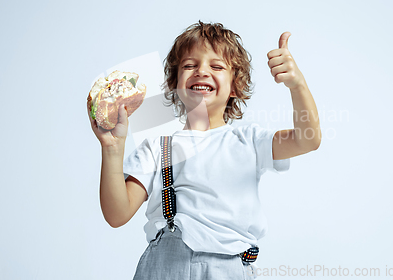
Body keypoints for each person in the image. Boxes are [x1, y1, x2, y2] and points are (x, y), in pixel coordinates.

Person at [87, 21, 321, 279]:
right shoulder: (157, 148)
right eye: (189, 65)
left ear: (235, 87)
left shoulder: (250, 141)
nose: (201, 71)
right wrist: (112, 148)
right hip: (165, 267)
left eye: (217, 66)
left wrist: (297, 85)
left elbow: (307, 139)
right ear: (174, 84)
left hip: (230, 269)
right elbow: (116, 214)